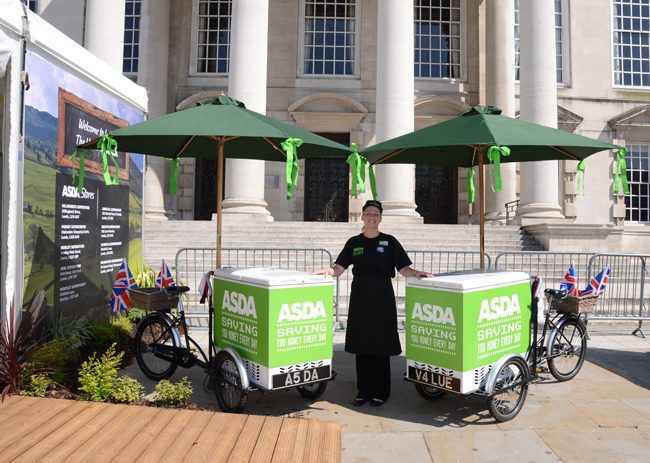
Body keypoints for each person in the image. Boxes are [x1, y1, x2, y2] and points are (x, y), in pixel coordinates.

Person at [311, 200, 433, 407]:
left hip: (382, 297)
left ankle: (381, 392)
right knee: (362, 345)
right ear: (362, 217)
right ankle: (364, 391)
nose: (372, 217)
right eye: (368, 213)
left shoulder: (390, 241)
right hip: (360, 297)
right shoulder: (354, 242)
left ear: (381, 218)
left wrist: (416, 273)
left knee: (381, 345)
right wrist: (328, 271)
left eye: (376, 214)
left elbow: (403, 269)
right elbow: (340, 268)